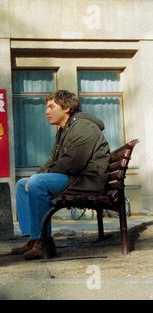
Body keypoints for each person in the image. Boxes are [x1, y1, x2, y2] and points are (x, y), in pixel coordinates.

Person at [12, 90, 110, 260]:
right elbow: (52, 161)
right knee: (22, 184)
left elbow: (73, 162)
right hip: (73, 177)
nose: (46, 111)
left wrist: (39, 178)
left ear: (66, 108)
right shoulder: (64, 130)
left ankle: (45, 243)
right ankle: (34, 238)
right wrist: (37, 175)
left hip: (87, 181)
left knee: (37, 183)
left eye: (51, 107)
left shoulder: (84, 127)